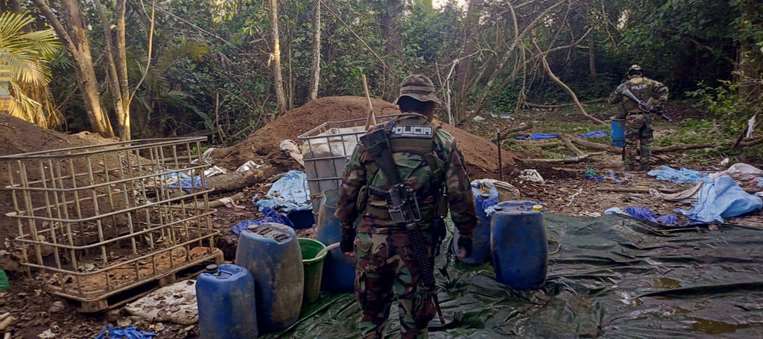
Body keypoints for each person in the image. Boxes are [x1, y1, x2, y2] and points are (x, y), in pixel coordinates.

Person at [335, 74, 477, 339]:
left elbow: (348, 191)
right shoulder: (442, 142)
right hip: (417, 244)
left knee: (370, 318)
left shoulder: (372, 139)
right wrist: (466, 233)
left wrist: (345, 231)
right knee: (414, 322)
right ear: (431, 107)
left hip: (371, 242)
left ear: (400, 105)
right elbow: (460, 195)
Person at [609, 64, 669, 171]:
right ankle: (645, 166)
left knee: (631, 143)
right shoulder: (650, 83)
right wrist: (658, 106)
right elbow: (664, 90)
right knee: (646, 142)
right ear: (641, 73)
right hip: (647, 116)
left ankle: (629, 167)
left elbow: (612, 100)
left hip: (633, 117)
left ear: (629, 75)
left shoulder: (625, 85)